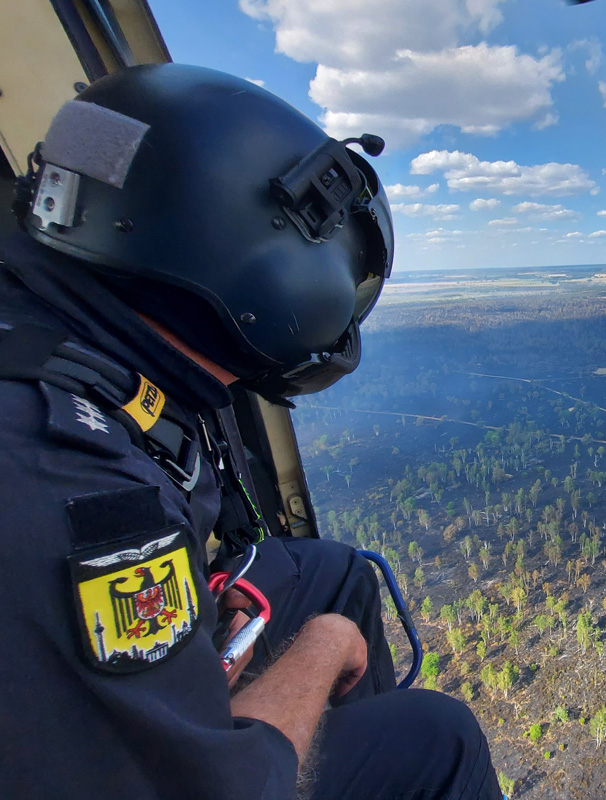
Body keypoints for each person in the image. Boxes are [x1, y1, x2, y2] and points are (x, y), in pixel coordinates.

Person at [0, 64, 502, 799]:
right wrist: (322, 652)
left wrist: (200, 617)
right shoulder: (78, 490)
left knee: (333, 571)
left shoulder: (61, 335)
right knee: (438, 738)